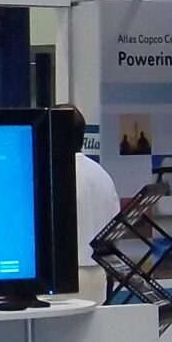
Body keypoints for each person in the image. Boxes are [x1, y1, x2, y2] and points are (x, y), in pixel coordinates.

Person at [63, 107, 122, 298]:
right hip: (97, 275)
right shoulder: (102, 175)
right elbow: (115, 229)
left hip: (62, 278)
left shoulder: (53, 175)